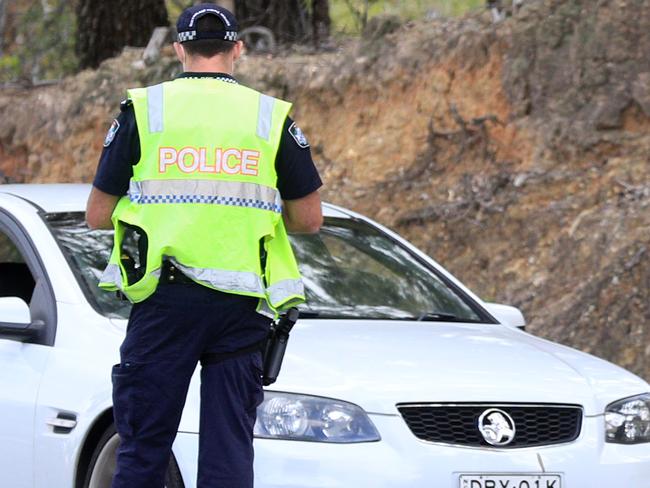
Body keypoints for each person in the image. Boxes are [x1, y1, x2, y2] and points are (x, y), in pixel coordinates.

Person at [85, 4, 323, 487]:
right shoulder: (269, 117)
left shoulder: (146, 109)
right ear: (238, 49)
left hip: (164, 300)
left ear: (179, 49)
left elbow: (97, 214)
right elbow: (308, 219)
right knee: (229, 452)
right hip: (242, 307)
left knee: (144, 448)